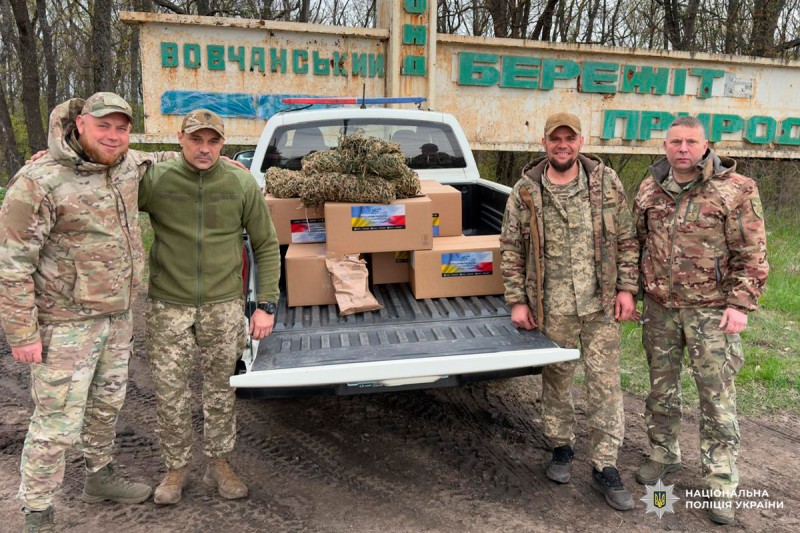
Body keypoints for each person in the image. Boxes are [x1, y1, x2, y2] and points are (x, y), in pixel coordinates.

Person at [0, 92, 175, 532]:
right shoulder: (39, 180)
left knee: (106, 404)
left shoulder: (126, 166)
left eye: (122, 128)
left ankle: (99, 477)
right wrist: (22, 333)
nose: (114, 136)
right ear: (80, 125)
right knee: (56, 421)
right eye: (104, 126)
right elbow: (12, 263)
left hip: (118, 316)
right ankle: (37, 512)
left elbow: (165, 158)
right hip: (64, 325)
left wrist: (218, 160)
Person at [139, 109, 280, 505]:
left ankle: (219, 464)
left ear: (223, 143)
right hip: (169, 304)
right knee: (171, 393)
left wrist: (265, 305)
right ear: (180, 137)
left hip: (223, 304)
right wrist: (57, 157)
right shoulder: (156, 180)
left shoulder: (239, 182)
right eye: (196, 139)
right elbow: (106, 181)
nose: (205, 149)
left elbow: (266, 244)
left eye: (213, 141)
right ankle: (175, 469)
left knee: (220, 391)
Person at [500, 112, 640, 511]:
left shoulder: (605, 182)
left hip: (600, 305)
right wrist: (517, 300)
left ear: (581, 141)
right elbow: (510, 248)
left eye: (570, 138)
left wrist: (628, 289)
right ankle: (561, 447)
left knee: (605, 384)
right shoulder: (525, 190)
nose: (563, 144)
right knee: (557, 382)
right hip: (551, 307)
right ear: (544, 143)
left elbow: (627, 238)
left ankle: (605, 465)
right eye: (555, 138)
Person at [633, 116, 768, 525]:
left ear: (706, 145)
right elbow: (637, 244)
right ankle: (663, 454)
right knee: (661, 390)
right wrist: (634, 291)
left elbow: (753, 251)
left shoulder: (736, 189)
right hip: (660, 310)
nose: (683, 149)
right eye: (675, 142)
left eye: (691, 141)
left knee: (716, 398)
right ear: (664, 145)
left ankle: (720, 481)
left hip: (712, 312)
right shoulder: (649, 187)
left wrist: (740, 304)